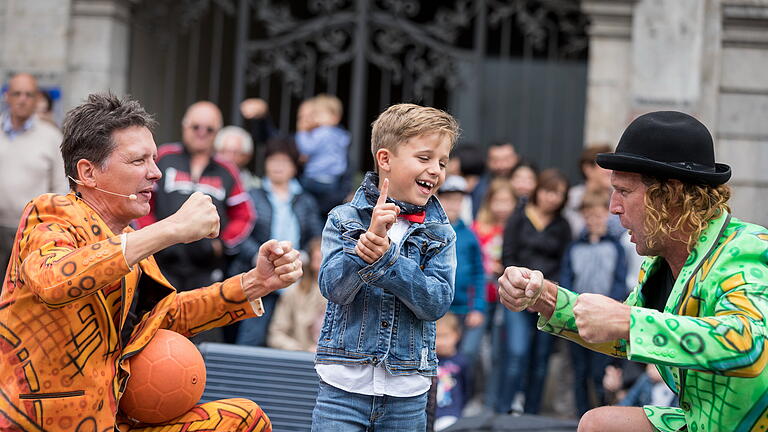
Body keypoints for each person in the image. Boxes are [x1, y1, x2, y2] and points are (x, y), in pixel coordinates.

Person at [0, 93, 303, 432]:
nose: (156, 173)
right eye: (138, 161)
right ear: (88, 172)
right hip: (39, 425)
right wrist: (170, 228)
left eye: (155, 160)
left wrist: (254, 283)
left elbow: (168, 315)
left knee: (244, 420)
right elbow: (54, 280)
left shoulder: (128, 239)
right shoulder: (50, 212)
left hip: (112, 422)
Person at [498, 111, 768, 432]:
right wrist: (545, 298)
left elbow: (752, 346)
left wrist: (629, 320)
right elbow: (627, 335)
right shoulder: (658, 262)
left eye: (624, 191)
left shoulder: (746, 247)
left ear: (671, 195)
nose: (613, 206)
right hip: (700, 422)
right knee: (596, 423)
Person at [311, 103, 459, 431]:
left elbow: (436, 302)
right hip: (342, 389)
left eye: (442, 162)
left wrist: (388, 261)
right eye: (424, 158)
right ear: (385, 159)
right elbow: (333, 288)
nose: (435, 170)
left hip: (407, 393)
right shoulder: (344, 218)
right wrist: (364, 251)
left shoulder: (442, 233)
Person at [137, 101, 255, 293]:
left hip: (206, 270)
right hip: (161, 264)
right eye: (195, 127)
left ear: (217, 132)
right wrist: (152, 236)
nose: (201, 132)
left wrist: (222, 243)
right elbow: (142, 200)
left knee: (203, 320)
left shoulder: (227, 170)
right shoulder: (164, 157)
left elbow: (245, 215)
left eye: (209, 129)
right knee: (155, 320)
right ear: (184, 126)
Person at [233, 137, 323, 346]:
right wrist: (256, 255)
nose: (277, 166)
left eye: (284, 161)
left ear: (294, 166)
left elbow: (315, 235)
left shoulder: (305, 199)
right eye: (273, 160)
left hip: (295, 280)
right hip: (259, 275)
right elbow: (240, 232)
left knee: (292, 341)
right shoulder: (252, 195)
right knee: (250, 340)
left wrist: (306, 256)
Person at [498, 168, 571, 415]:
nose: (553, 198)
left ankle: (531, 416)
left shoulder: (563, 226)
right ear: (538, 190)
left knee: (540, 361)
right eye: (549, 191)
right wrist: (523, 289)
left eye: (559, 194)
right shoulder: (519, 217)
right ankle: (503, 411)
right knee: (517, 354)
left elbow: (565, 264)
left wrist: (546, 293)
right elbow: (507, 256)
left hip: (548, 298)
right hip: (518, 295)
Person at [559, 190, 627, 416]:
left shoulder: (615, 248)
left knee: (601, 371)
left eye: (598, 216)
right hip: (577, 317)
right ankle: (580, 417)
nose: (593, 221)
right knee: (580, 371)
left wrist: (612, 305)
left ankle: (602, 415)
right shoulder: (574, 248)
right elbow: (567, 279)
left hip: (604, 318)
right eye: (588, 216)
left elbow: (620, 280)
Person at [0, 73, 68, 283]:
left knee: (23, 293)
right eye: (17, 94)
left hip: (33, 231)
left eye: (28, 95)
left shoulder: (51, 137)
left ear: (37, 99)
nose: (22, 99)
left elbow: (61, 187)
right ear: (7, 97)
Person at [436, 176, 486, 360]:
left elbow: (479, 273)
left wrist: (478, 308)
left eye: (458, 200)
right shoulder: (432, 232)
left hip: (464, 308)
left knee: (464, 355)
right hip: (438, 308)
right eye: (448, 199)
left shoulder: (470, 236)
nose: (452, 205)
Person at [295, 94, 351, 216]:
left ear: (334, 117)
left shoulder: (322, 132)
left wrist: (302, 132)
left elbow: (306, 147)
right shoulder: (340, 134)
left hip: (314, 178)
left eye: (318, 114)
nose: (315, 119)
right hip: (332, 181)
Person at [268, 237, 327, 352]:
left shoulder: (346, 295)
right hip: (301, 359)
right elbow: (276, 334)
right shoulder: (293, 293)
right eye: (318, 260)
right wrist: (300, 349)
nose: (321, 266)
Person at [434, 313, 471, 432]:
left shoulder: (461, 361)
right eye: (436, 336)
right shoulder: (428, 361)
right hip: (428, 413)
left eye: (444, 336)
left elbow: (468, 387)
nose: (439, 342)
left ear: (457, 335)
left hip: (450, 412)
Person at [470, 142, 518, 217]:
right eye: (495, 160)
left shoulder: (524, 186)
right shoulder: (480, 189)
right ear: (488, 161)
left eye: (506, 160)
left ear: (515, 159)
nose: (501, 165)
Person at [214, 125, 261, 191]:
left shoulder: (255, 186)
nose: (229, 157)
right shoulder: (205, 179)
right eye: (223, 151)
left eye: (235, 152)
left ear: (246, 157)